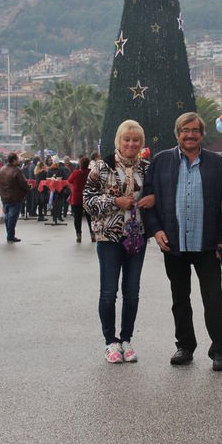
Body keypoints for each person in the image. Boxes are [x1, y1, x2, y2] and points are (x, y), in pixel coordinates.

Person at [143, 112, 222, 371]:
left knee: (214, 298)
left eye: (194, 130)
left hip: (208, 244)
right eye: (184, 130)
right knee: (180, 298)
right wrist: (156, 230)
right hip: (174, 243)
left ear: (202, 134)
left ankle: (219, 351)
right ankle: (185, 346)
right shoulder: (161, 161)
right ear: (177, 133)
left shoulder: (217, 163)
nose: (189, 135)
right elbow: (148, 199)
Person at [83, 121, 153, 364]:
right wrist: (115, 202)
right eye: (127, 139)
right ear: (118, 141)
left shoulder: (146, 168)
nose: (131, 144)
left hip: (136, 236)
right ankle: (110, 342)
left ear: (141, 143)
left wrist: (153, 199)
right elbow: (87, 200)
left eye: (136, 140)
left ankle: (126, 340)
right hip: (109, 238)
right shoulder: (102, 168)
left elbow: (156, 195)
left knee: (132, 292)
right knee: (108, 292)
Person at [0, 152, 29, 243]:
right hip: (15, 197)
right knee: (12, 217)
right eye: (17, 159)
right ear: (14, 160)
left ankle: (9, 234)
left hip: (4, 196)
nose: (18, 160)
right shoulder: (16, 170)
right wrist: (28, 188)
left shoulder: (1, 170)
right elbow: (23, 183)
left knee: (8, 216)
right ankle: (10, 235)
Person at [68, 156, 94, 243]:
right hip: (88, 197)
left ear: (80, 164)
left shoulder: (76, 172)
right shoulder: (91, 172)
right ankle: (92, 234)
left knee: (77, 217)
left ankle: (79, 235)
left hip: (77, 198)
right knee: (89, 217)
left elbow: (69, 180)